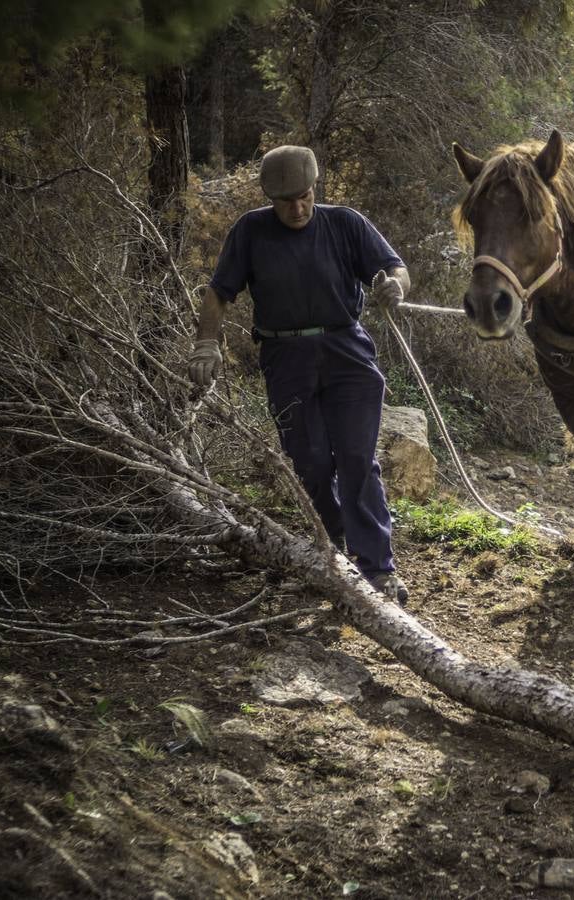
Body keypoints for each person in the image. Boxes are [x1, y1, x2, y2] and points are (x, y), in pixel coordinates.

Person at [188, 144, 409, 604]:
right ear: (270, 197)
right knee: (310, 462)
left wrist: (394, 286)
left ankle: (377, 570)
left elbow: (395, 268)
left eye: (303, 196)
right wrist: (207, 342)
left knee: (356, 460)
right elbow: (218, 292)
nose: (296, 207)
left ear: (314, 188)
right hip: (284, 356)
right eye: (285, 199)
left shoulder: (345, 222)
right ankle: (333, 554)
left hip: (346, 351)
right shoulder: (251, 231)